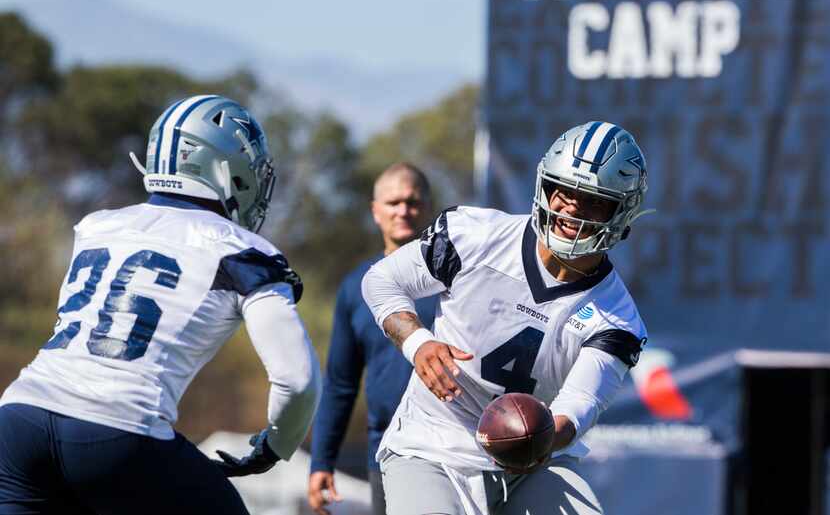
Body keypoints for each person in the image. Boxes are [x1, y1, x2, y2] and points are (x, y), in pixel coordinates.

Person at [0, 95, 321, 515]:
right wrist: (278, 444)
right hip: (117, 428)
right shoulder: (243, 252)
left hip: (18, 420)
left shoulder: (98, 227)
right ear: (225, 168)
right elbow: (297, 380)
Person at [362, 121, 650, 515]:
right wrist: (417, 342)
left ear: (622, 212)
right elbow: (382, 280)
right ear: (545, 185)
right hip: (434, 443)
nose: (573, 209)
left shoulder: (616, 317)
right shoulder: (475, 235)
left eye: (594, 200)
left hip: (534, 462)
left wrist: (536, 438)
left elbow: (576, 407)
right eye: (565, 190)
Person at [307, 163, 438, 515]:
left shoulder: (455, 279)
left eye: (412, 201)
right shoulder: (356, 288)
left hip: (456, 449)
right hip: (387, 452)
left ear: (427, 207)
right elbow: (340, 383)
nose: (403, 210)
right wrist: (322, 461)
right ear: (375, 210)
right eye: (393, 202)